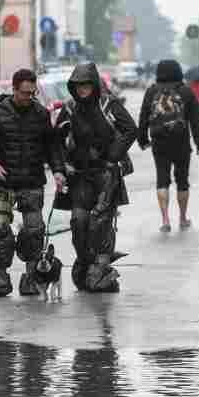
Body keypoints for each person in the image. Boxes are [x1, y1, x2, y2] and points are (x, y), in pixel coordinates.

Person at [0, 68, 67, 297]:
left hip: (32, 182)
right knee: (0, 230)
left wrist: (58, 171)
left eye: (32, 93)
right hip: (3, 184)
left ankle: (32, 278)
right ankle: (0, 278)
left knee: (34, 231)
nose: (29, 97)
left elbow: (53, 147)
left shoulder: (41, 114)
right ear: (13, 90)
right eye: (24, 93)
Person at [54, 63, 137, 293]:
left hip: (106, 174)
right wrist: (61, 167)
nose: (82, 89)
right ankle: (85, 262)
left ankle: (101, 268)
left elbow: (131, 129)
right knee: (79, 223)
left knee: (100, 222)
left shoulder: (109, 104)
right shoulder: (70, 109)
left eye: (86, 84)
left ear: (94, 84)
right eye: (78, 85)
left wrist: (113, 157)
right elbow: (56, 139)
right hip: (80, 175)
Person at [137, 59, 199, 232]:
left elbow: (143, 116)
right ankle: (182, 218)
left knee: (162, 179)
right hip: (181, 142)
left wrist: (142, 139)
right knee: (182, 181)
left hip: (159, 142)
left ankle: (165, 220)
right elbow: (196, 121)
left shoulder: (152, 92)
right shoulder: (186, 92)